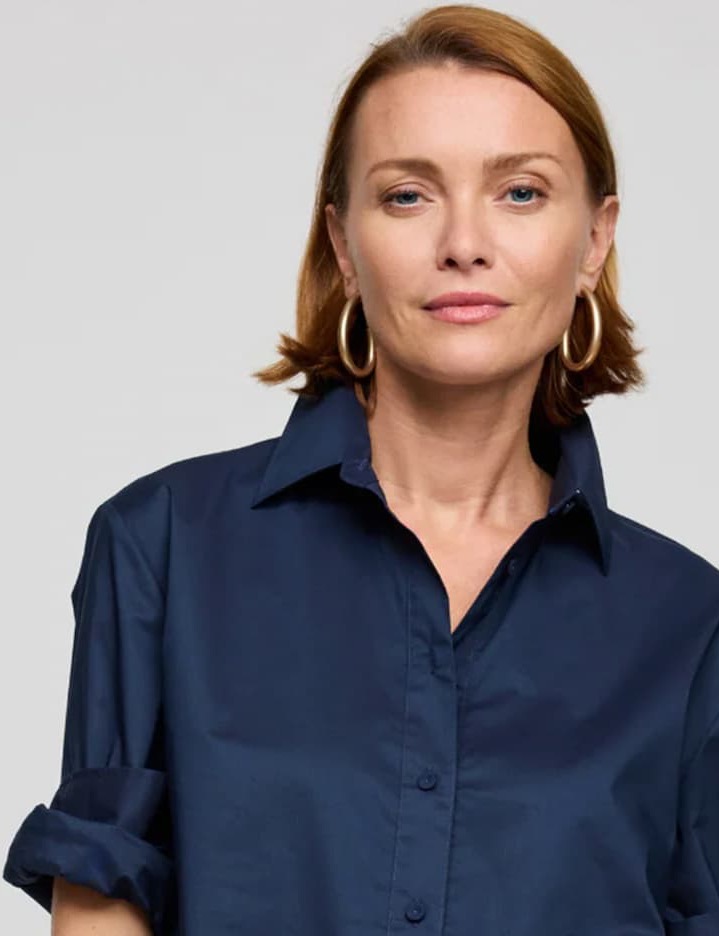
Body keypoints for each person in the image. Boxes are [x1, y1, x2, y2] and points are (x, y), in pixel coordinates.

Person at [4, 4, 719, 934]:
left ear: (593, 241)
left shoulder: (687, 622)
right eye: (407, 195)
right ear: (343, 246)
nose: (463, 243)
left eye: (520, 193)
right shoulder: (164, 545)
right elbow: (101, 910)